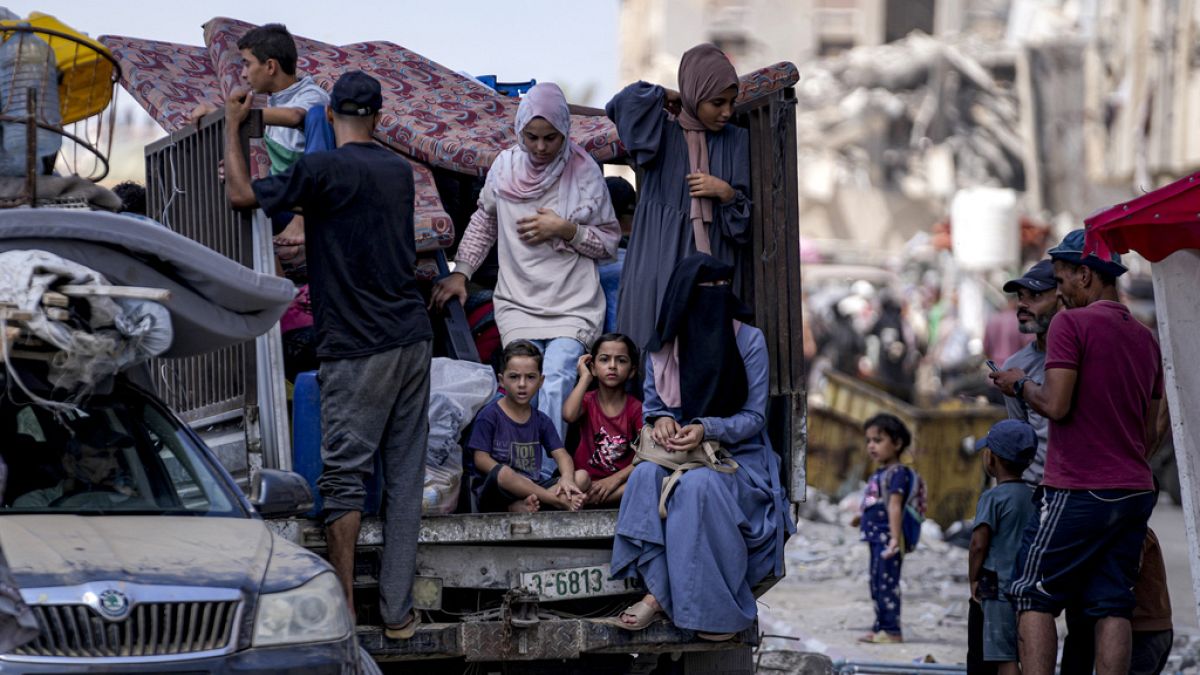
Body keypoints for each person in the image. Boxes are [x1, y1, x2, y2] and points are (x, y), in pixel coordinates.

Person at [223, 70, 433, 641]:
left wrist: (234, 128)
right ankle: (397, 615)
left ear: (328, 114)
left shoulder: (320, 169)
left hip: (358, 345)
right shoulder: (398, 170)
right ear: (380, 118)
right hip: (413, 338)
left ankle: (342, 608)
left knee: (343, 478)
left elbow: (242, 196)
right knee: (405, 480)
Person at [990, 229, 1164, 675]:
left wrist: (1018, 384)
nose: (1061, 291)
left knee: (1032, 591)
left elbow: (1055, 404)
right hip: (1134, 487)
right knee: (1112, 602)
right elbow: (1154, 427)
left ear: (1085, 275)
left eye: (1063, 279)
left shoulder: (1072, 323)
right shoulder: (1144, 337)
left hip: (1079, 486)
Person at [606, 254, 793, 641]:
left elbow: (753, 417)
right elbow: (655, 408)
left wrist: (706, 427)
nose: (716, 300)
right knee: (644, 477)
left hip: (737, 457)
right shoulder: (662, 346)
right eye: (707, 293)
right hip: (676, 452)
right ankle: (661, 589)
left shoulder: (747, 340)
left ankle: (695, 610)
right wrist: (663, 422)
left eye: (722, 291)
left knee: (696, 488)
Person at [431, 82, 620, 463]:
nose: (540, 147)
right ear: (519, 132)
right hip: (518, 303)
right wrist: (461, 272)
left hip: (573, 304)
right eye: (531, 137)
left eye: (550, 137)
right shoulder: (504, 167)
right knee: (524, 384)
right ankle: (526, 472)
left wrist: (566, 230)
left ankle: (544, 471)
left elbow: (609, 243)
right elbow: (484, 222)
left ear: (565, 132)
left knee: (558, 380)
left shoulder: (584, 173)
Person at [605, 43, 751, 353]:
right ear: (693, 94)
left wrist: (724, 192)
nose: (726, 112)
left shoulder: (736, 140)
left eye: (731, 102)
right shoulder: (663, 131)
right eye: (716, 102)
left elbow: (742, 223)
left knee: (705, 350)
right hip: (658, 254)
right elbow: (622, 105)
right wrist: (666, 94)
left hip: (711, 256)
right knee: (653, 340)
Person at [192, 23, 329, 249]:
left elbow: (295, 116)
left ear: (271, 67)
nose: (243, 74)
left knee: (316, 117)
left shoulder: (311, 95)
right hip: (285, 198)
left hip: (315, 199)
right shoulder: (268, 102)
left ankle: (302, 219)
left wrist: (231, 116)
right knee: (234, 198)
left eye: (247, 64)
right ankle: (278, 280)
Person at [468, 340, 587, 513]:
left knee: (581, 478)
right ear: (502, 380)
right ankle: (554, 501)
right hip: (499, 491)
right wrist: (516, 480)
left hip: (533, 486)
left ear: (541, 381)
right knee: (504, 473)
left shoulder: (541, 420)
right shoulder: (489, 415)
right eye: (514, 377)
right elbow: (480, 459)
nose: (522, 384)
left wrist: (567, 479)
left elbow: (562, 455)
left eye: (530, 377)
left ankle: (525, 505)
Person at [968, 420, 1038, 675]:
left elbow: (978, 544)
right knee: (1023, 649)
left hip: (995, 587)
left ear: (992, 459)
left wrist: (973, 578)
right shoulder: (1033, 496)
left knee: (1003, 657)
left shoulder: (992, 498)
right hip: (1025, 584)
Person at [856, 413, 918, 644]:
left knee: (887, 584)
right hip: (876, 538)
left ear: (898, 443)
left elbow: (894, 506)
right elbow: (875, 501)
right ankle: (880, 626)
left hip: (887, 539)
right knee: (876, 583)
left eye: (878, 440)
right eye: (869, 440)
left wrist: (894, 538)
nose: (871, 446)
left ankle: (892, 630)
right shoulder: (880, 473)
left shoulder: (898, 473)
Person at [562, 332, 642, 506]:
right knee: (577, 479)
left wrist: (613, 480)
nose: (612, 366)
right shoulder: (588, 400)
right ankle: (587, 498)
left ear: (632, 371)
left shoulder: (636, 409)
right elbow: (568, 415)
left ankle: (591, 501)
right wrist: (584, 378)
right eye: (604, 360)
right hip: (584, 483)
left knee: (645, 481)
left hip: (618, 486)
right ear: (593, 367)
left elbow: (646, 455)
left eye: (621, 360)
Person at [996, 259, 1058, 484]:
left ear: (1061, 299)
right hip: (1036, 487)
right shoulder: (1015, 366)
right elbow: (1021, 435)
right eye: (1021, 296)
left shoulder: (1085, 357)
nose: (1023, 304)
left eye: (1035, 296)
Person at [13, 419, 139, 509]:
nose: (114, 465)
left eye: (117, 456)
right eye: (101, 455)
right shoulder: (36, 504)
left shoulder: (126, 500)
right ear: (69, 463)